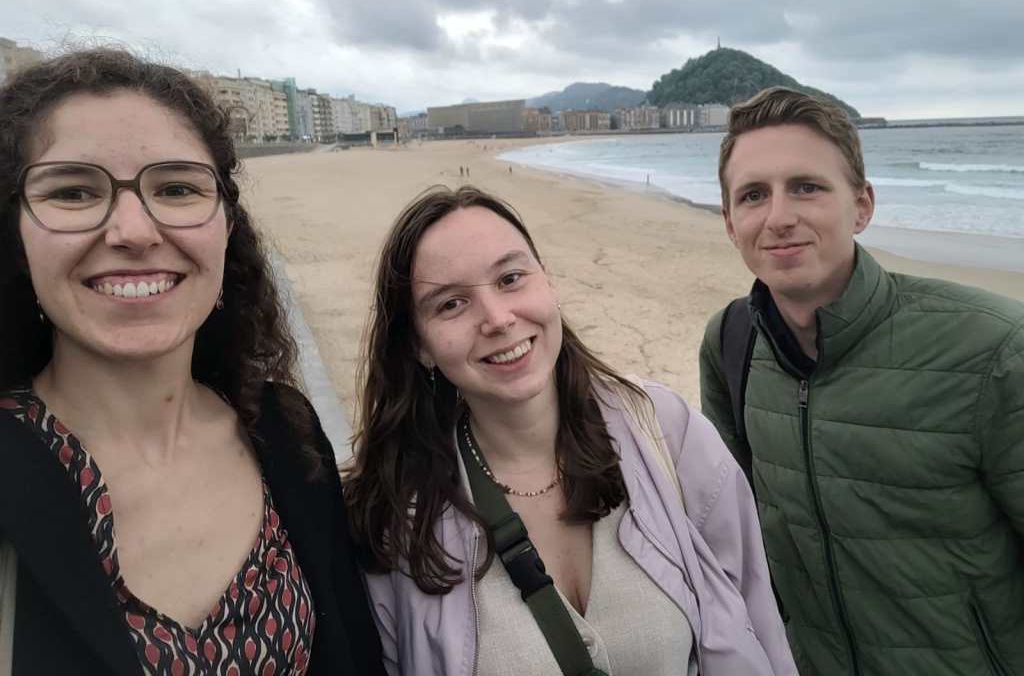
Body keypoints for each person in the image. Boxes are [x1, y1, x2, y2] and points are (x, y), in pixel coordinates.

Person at [0, 49, 385, 675]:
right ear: (16, 236)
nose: (133, 231)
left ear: (227, 226)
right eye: (73, 192)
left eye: (176, 188)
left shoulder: (284, 432)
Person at [344, 185, 797, 676]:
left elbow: (759, 625)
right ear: (419, 345)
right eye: (451, 304)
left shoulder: (666, 432)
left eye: (511, 278)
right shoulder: (396, 522)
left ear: (549, 282)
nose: (497, 319)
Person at [699, 87, 1024, 676]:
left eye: (807, 187)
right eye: (753, 195)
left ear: (862, 206)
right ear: (729, 223)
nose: (779, 217)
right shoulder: (730, 342)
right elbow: (739, 536)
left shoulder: (993, 347)